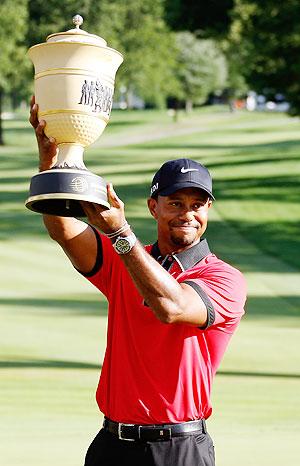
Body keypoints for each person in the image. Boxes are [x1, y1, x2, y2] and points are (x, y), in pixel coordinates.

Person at [29, 97, 247, 466]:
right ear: (154, 206)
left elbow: (172, 307)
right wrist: (51, 158)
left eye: (197, 204)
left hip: (178, 448)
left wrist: (121, 233)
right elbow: (64, 229)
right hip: (112, 444)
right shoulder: (125, 261)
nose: (187, 214)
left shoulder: (223, 277)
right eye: (175, 203)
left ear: (208, 209)